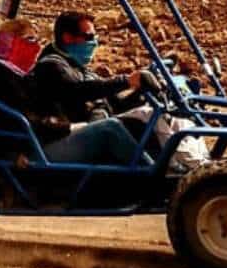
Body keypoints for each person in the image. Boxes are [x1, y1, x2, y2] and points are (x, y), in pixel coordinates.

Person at [25, 10, 155, 167]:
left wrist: (139, 93)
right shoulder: (51, 66)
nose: (94, 42)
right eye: (89, 37)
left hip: (79, 130)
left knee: (148, 115)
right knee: (110, 128)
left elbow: (110, 100)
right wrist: (126, 81)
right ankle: (156, 178)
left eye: (95, 35)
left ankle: (178, 166)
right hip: (55, 140)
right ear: (68, 38)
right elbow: (80, 91)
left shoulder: (77, 65)